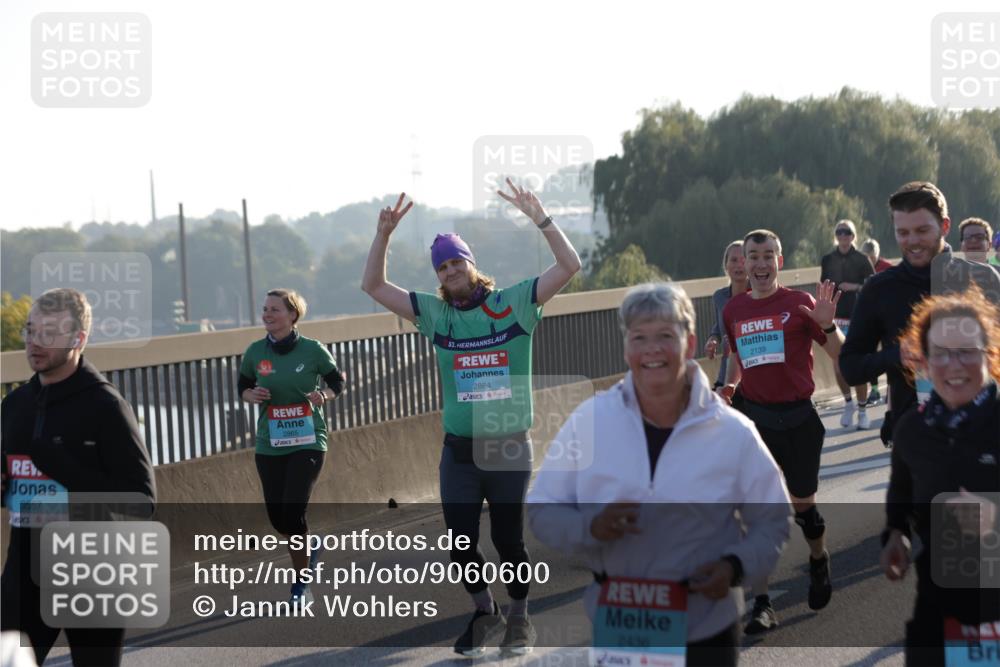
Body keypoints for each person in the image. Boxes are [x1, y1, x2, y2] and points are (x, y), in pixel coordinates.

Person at [361, 182, 581, 657]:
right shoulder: (436, 315)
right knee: (461, 547)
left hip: (507, 446)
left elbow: (570, 267)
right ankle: (486, 613)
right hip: (459, 451)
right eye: (442, 265)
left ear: (471, 262)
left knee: (508, 543)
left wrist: (541, 217)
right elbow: (374, 287)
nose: (450, 270)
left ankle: (520, 616)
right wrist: (384, 236)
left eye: (456, 261)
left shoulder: (516, 303)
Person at [527, 282, 791, 667]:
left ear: (689, 342)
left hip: (706, 627)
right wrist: (590, 527)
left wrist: (735, 568)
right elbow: (542, 508)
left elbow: (773, 520)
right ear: (626, 347)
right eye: (639, 337)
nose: (651, 349)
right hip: (622, 624)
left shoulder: (733, 431)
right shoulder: (590, 421)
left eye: (665, 336)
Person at [1, 288, 156, 667]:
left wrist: (56, 462)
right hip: (24, 568)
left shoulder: (105, 406)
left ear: (78, 339)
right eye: (31, 330)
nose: (35, 342)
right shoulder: (16, 405)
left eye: (50, 332)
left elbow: (141, 501)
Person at [718, 230, 844, 633]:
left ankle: (818, 558)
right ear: (744, 262)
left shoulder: (800, 304)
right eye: (752, 256)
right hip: (755, 420)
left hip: (800, 421)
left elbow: (840, 354)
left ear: (780, 261)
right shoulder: (734, 310)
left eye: (767, 256)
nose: (759, 264)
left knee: (804, 508)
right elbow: (738, 357)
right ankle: (763, 603)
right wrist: (731, 385)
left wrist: (830, 327)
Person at [880, 286, 1000, 665]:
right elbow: (900, 494)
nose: (954, 365)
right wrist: (894, 535)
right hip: (939, 608)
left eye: (966, 352)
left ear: (988, 354)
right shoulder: (912, 431)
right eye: (940, 354)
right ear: (924, 363)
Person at [840, 181, 1000, 447]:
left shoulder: (982, 279)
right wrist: (896, 355)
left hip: (985, 436)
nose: (912, 241)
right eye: (903, 232)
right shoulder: (879, 289)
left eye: (922, 230)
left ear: (945, 226)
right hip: (918, 443)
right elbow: (851, 368)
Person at [238, 288, 345, 606]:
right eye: (265, 309)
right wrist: (251, 396)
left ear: (292, 315)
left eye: (275, 309)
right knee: (278, 518)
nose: (267, 314)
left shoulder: (313, 350)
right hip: (270, 442)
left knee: (294, 512)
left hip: (309, 441)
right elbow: (242, 386)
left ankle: (302, 585)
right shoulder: (255, 352)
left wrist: (323, 396)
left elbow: (336, 382)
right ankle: (309, 549)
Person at [820, 220, 874, 429]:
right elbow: (823, 285)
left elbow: (873, 284)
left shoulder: (862, 259)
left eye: (847, 232)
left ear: (853, 236)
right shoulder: (828, 259)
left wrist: (855, 286)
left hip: (857, 317)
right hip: (835, 319)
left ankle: (862, 410)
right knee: (838, 363)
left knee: (857, 364)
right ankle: (848, 403)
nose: (843, 236)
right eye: (839, 232)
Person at [704, 241, 748, 389]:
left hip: (754, 375)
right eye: (734, 260)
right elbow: (719, 327)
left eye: (744, 260)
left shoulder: (761, 295)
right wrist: (713, 339)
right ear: (726, 266)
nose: (739, 265)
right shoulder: (719, 297)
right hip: (726, 375)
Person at [859, 239, 890, 406]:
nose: (869, 261)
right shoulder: (858, 268)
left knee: (888, 352)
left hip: (886, 314)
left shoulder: (887, 268)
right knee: (869, 354)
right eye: (866, 257)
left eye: (872, 257)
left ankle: (892, 388)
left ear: (877, 254)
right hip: (869, 316)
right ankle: (875, 390)